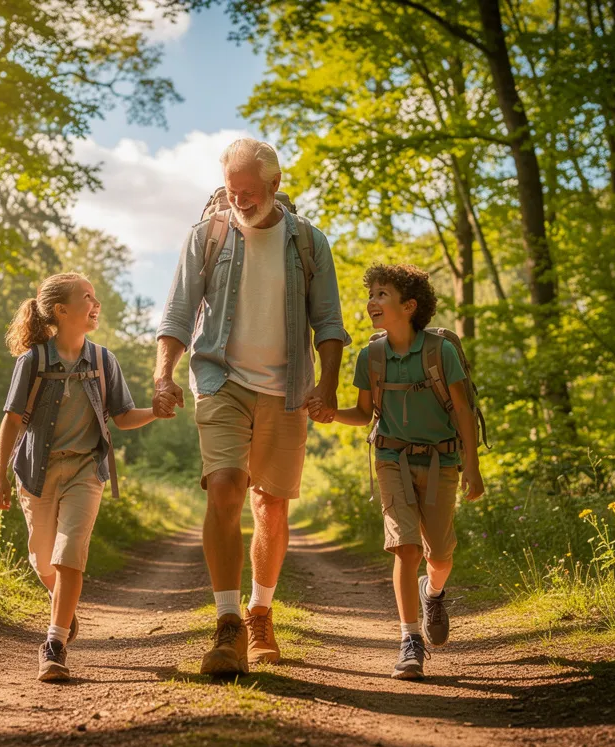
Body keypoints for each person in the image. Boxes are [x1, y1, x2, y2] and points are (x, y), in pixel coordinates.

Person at [154, 137, 350, 676]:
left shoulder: (309, 243)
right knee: (224, 486)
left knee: (271, 504)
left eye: (248, 191)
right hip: (221, 379)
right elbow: (177, 312)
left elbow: (330, 325)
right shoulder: (208, 236)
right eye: (231, 190)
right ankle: (227, 624)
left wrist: (328, 385)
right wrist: (163, 374)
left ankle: (260, 611)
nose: (237, 200)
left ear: (274, 186)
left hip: (287, 388)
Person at [0, 272, 159, 682]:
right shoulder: (33, 361)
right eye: (87, 297)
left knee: (69, 556)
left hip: (86, 469)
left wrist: (157, 410)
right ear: (62, 310)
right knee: (43, 557)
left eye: (95, 296)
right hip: (37, 471)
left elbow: (122, 417)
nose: (95, 303)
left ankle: (55, 643)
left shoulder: (103, 361)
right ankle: (62, 604)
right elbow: (12, 421)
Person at [328, 264, 485, 680]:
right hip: (391, 458)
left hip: (441, 461)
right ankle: (409, 640)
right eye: (372, 294)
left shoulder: (440, 352)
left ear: (409, 306)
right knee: (406, 547)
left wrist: (473, 467)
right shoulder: (371, 356)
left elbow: (464, 413)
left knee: (441, 555)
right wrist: (330, 413)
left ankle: (432, 593)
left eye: (382, 294)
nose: (372, 302)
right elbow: (364, 415)